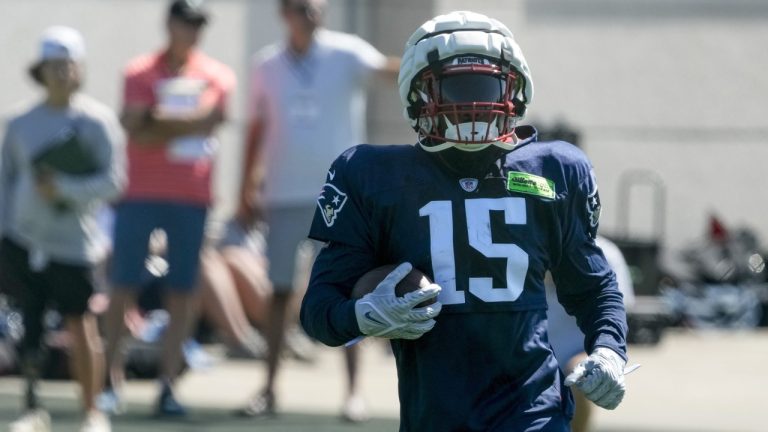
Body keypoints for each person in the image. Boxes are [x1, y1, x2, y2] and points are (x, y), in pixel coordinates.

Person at [300, 10, 630, 431]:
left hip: (532, 412)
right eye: (455, 88)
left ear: (515, 88)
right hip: (435, 415)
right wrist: (364, 315)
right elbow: (318, 311)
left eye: (485, 86)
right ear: (419, 93)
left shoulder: (555, 169)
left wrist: (608, 351)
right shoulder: (370, 175)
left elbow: (593, 286)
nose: (473, 103)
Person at [235, 0, 399, 421]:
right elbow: (256, 128)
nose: (310, 14)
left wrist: (437, 59)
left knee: (348, 287)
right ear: (284, 13)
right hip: (283, 194)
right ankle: (269, 389)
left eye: (315, 8)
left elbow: (390, 70)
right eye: (300, 7)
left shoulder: (348, 51)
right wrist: (245, 188)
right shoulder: (265, 65)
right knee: (279, 292)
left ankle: (353, 393)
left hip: (337, 194)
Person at [100, 0, 235, 417]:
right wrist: (189, 119)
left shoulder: (216, 74)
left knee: (183, 292)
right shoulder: (139, 71)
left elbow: (201, 119)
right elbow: (134, 131)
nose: (192, 30)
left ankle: (168, 386)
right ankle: (108, 379)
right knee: (122, 286)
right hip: (139, 193)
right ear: (170, 23)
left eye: (199, 23)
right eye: (186, 21)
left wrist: (156, 120)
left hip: (191, 197)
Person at [0, 25, 124, 432]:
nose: (61, 72)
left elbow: (114, 181)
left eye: (68, 64)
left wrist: (65, 187)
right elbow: (6, 181)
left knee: (80, 323)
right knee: (29, 329)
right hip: (24, 241)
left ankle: (92, 411)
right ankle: (32, 409)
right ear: (41, 69)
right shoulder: (19, 122)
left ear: (79, 68)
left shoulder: (99, 121)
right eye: (53, 65)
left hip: (74, 244)